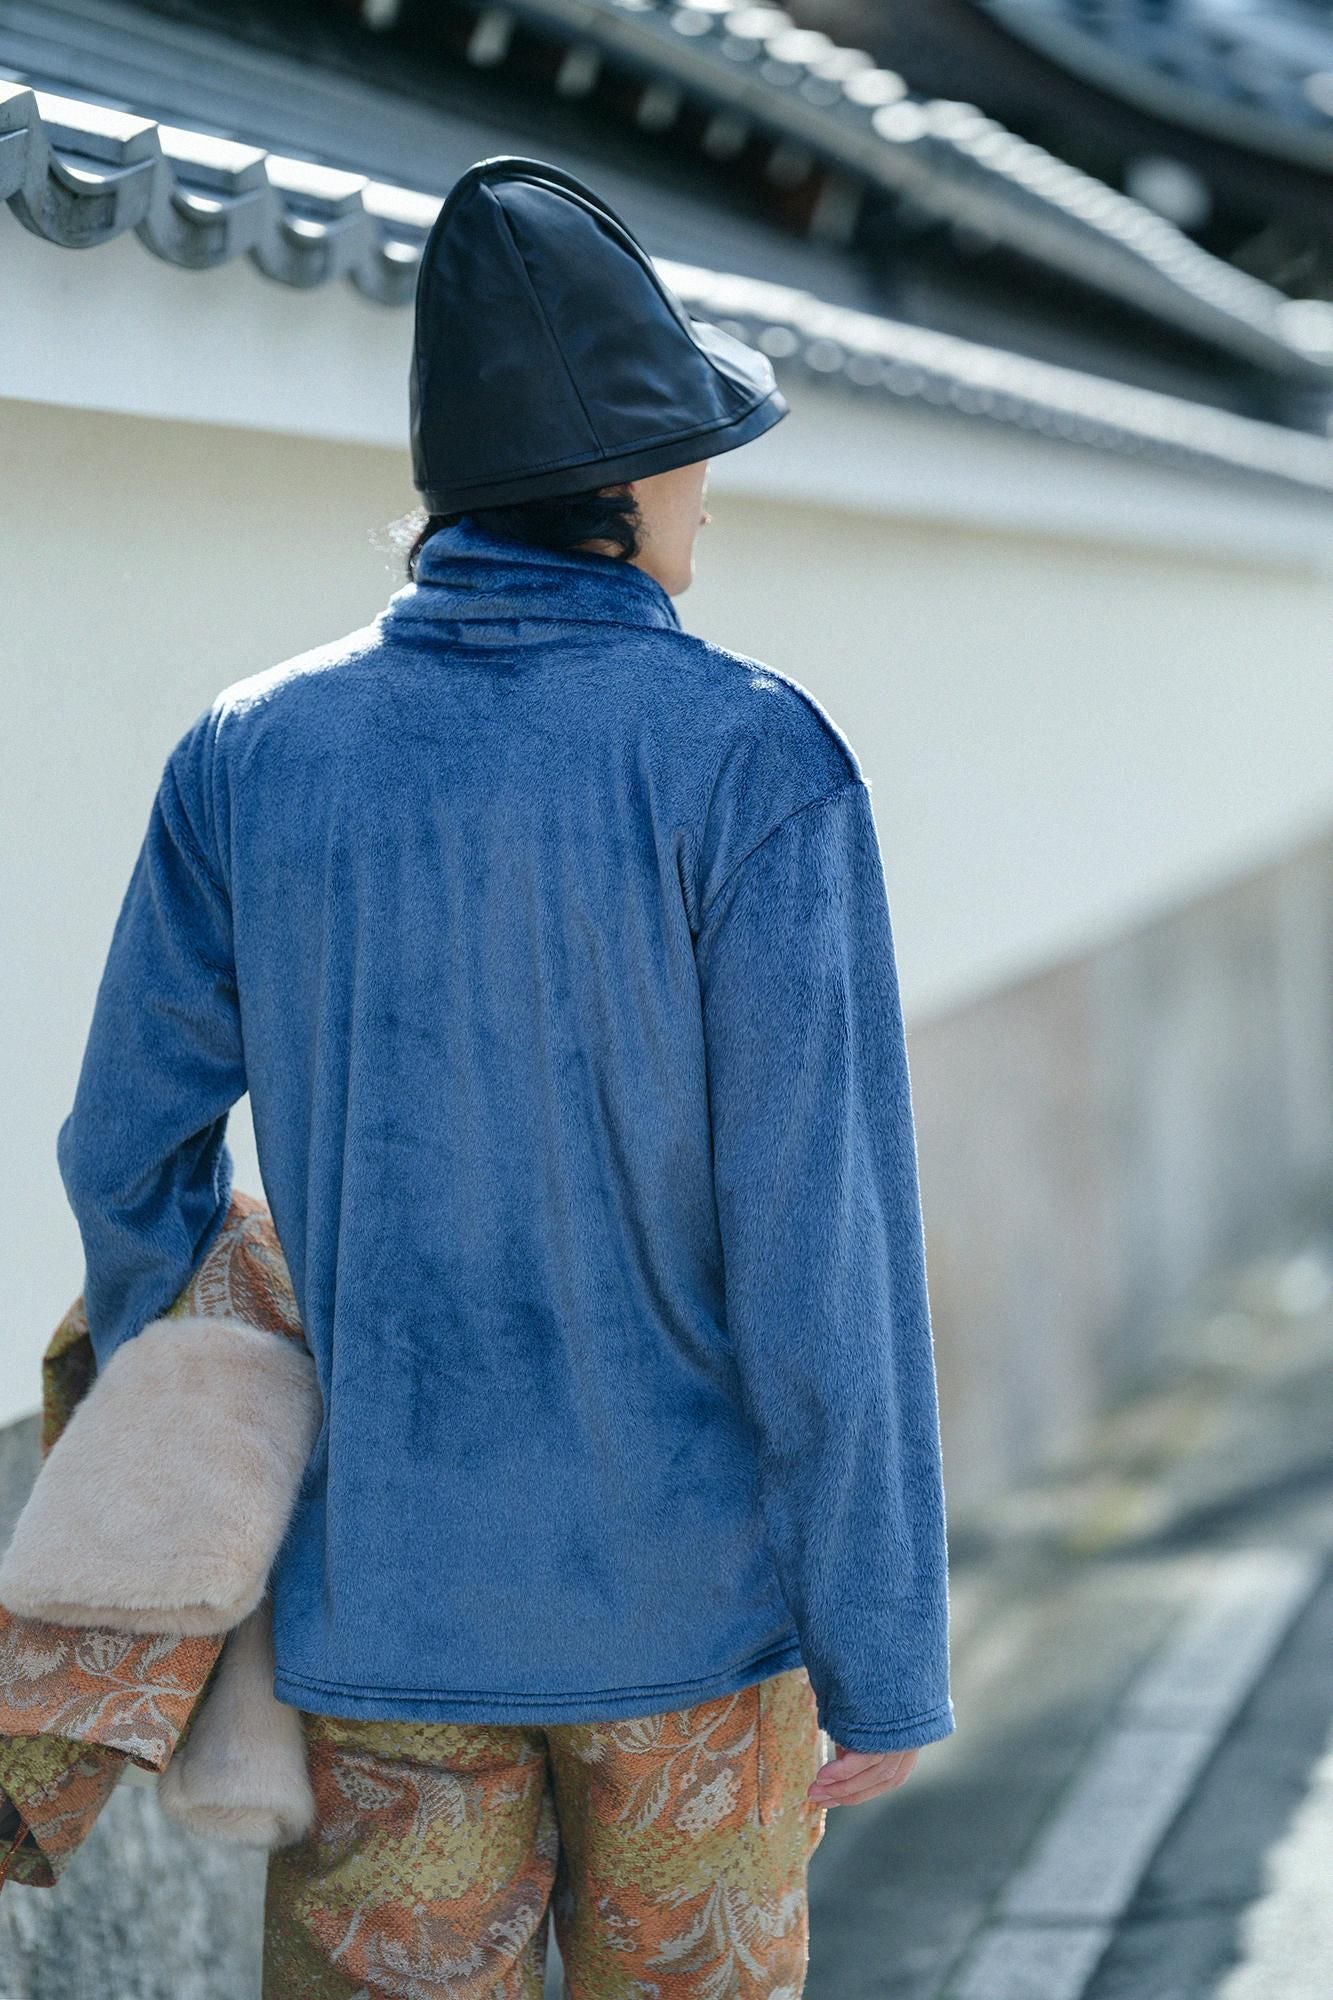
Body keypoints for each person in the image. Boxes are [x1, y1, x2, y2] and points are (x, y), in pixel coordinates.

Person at [55, 156, 955, 1996]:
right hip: (696, 1625)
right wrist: (882, 1649)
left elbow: (127, 1146)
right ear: (622, 489)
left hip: (378, 1608)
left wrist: (220, 1422)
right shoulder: (750, 758)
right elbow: (820, 1253)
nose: (712, 487)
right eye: (697, 450)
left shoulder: (253, 751)